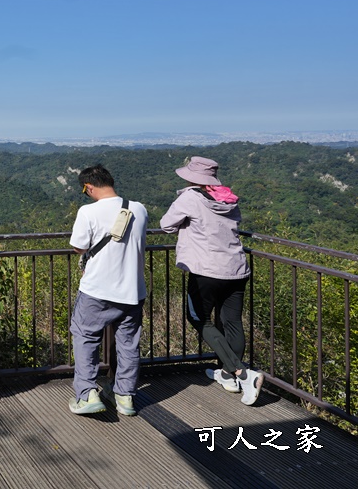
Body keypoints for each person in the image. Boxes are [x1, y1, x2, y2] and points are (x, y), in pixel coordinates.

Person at [160, 156, 263, 406]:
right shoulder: (229, 198)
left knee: (198, 318)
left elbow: (166, 225)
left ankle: (243, 373)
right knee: (232, 322)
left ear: (192, 177)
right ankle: (228, 375)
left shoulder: (189, 198)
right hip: (236, 268)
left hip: (206, 270)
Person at [68, 164, 148, 416]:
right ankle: (125, 397)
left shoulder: (87, 211)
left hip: (97, 290)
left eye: (85, 190)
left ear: (89, 187)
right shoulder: (139, 209)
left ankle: (87, 394)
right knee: (128, 343)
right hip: (133, 290)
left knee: (84, 337)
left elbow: (79, 247)